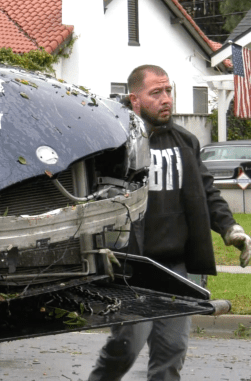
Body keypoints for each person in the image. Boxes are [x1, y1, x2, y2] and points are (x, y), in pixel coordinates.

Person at [88, 64, 251, 381]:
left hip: (178, 270)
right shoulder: (115, 144)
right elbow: (96, 198)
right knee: (124, 348)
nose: (166, 99)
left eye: (168, 91)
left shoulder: (185, 141)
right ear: (135, 100)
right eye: (156, 92)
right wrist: (99, 245)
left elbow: (207, 192)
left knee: (171, 354)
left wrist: (233, 230)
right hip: (135, 269)